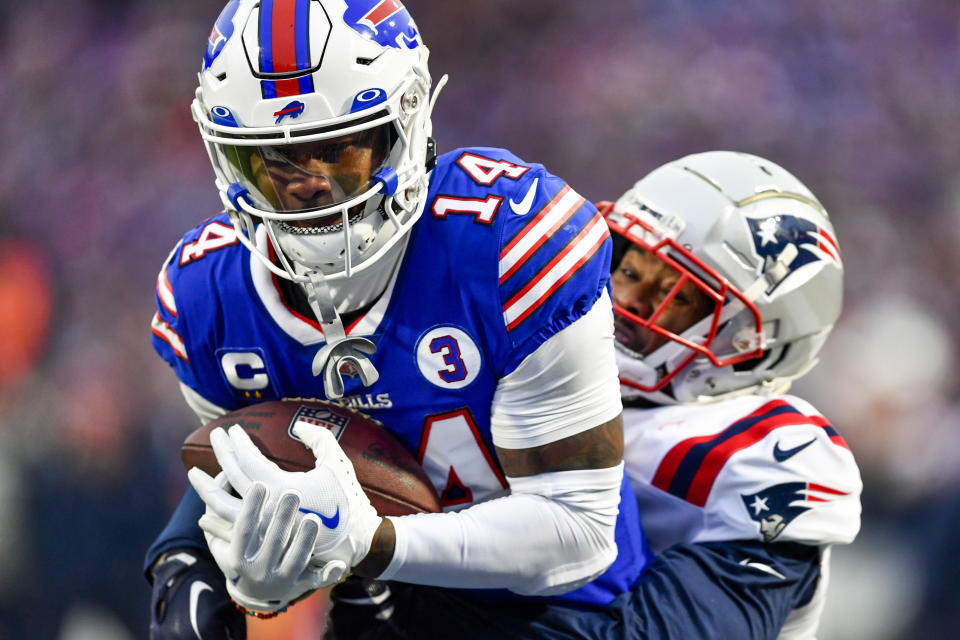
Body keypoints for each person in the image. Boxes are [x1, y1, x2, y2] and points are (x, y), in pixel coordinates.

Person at [145, 1, 649, 638]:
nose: (311, 188)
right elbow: (247, 466)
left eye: (340, 149)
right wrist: (196, 563)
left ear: (407, 121)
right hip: (383, 613)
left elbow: (578, 535)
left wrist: (372, 540)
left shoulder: (509, 243)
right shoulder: (206, 299)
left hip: (568, 619)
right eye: (276, 162)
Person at [599, 151, 863, 638]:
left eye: (672, 294)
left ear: (745, 345)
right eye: (629, 268)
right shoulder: (545, 360)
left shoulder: (768, 454)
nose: (625, 299)